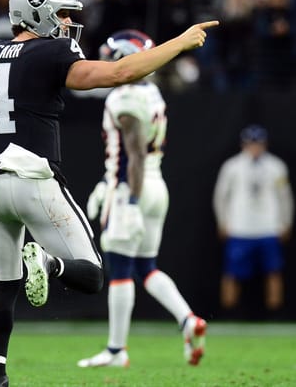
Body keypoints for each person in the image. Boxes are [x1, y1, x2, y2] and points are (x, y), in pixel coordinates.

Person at [0, 0, 218, 387]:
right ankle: (47, 262)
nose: (67, 22)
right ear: (36, 11)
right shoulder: (52, 53)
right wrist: (180, 42)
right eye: (62, 13)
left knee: (3, 286)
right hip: (33, 179)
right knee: (92, 274)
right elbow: (119, 74)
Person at [76, 30, 208, 370]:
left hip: (133, 189)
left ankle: (116, 350)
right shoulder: (152, 92)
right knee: (147, 267)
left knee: (120, 270)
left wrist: (128, 200)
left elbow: (133, 153)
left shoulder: (124, 98)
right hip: (155, 185)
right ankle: (187, 320)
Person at [212, 124, 294, 317]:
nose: (255, 148)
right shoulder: (232, 166)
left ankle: (275, 314)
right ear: (243, 144)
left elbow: (285, 197)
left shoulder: (276, 166)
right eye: (251, 144)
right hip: (240, 227)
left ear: (265, 144)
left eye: (258, 144)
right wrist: (222, 221)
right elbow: (220, 196)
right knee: (232, 273)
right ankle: (229, 314)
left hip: (269, 227)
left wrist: (285, 222)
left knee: (273, 271)